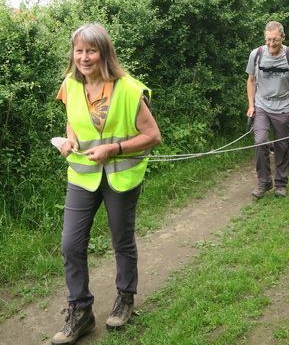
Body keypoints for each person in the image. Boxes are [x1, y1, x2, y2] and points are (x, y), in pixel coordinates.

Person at [52, 23, 161, 344]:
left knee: (121, 241)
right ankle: (80, 311)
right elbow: (73, 120)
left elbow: (153, 136)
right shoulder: (70, 86)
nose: (84, 57)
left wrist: (114, 148)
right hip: (82, 175)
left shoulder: (128, 89)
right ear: (73, 54)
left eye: (91, 50)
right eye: (79, 50)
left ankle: (125, 298)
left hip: (121, 177)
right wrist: (69, 141)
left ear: (104, 53)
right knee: (70, 245)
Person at [246, 21, 289, 198]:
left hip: (284, 106)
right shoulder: (256, 55)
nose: (271, 44)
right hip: (262, 105)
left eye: (275, 40)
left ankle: (281, 183)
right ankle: (264, 181)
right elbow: (250, 81)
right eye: (268, 40)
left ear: (283, 37)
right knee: (260, 141)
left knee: (282, 146)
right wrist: (251, 105)